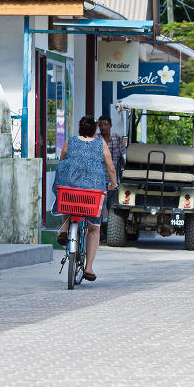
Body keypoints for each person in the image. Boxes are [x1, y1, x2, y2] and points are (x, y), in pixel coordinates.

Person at [54, 116, 119, 282]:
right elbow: (110, 167)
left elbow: (62, 161)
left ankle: (64, 228)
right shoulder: (100, 144)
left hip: (71, 189)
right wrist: (114, 183)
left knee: (67, 198)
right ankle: (89, 267)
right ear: (95, 130)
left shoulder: (70, 141)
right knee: (94, 228)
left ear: (79, 128)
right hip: (93, 193)